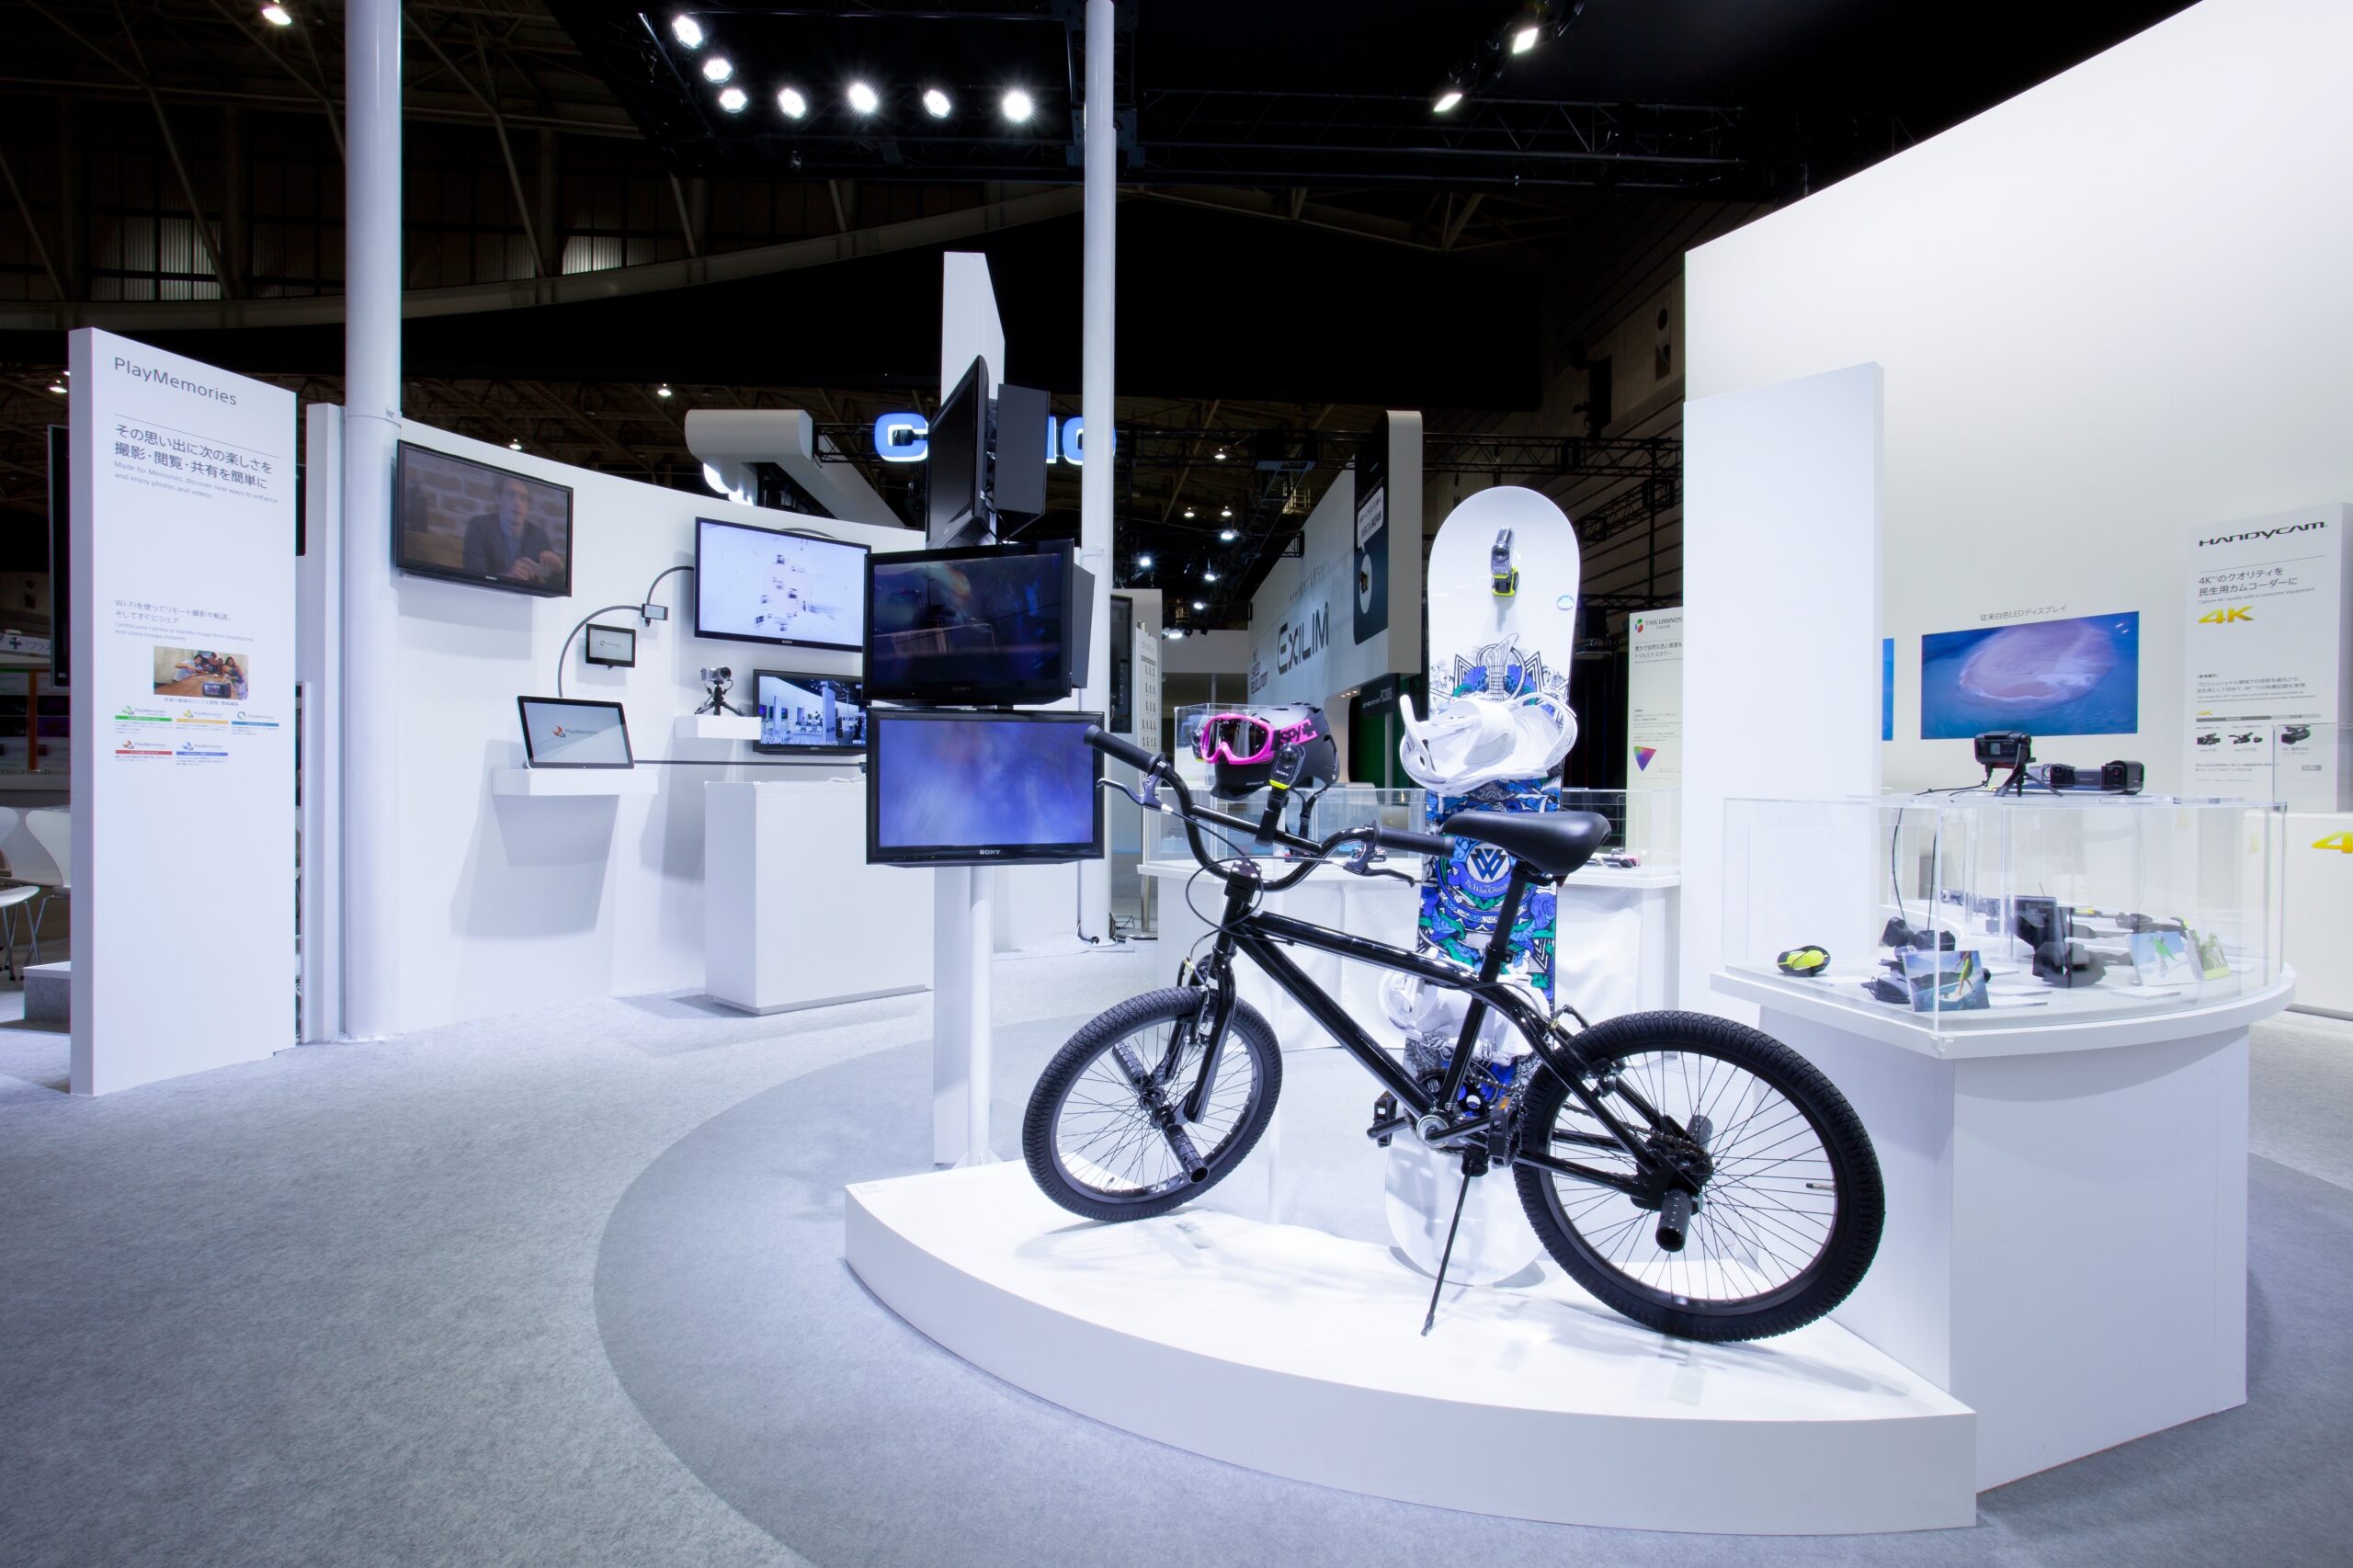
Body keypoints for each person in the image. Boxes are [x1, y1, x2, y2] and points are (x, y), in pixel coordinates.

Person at [461, 476, 563, 585]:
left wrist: (558, 568)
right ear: (498, 499)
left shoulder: (538, 535)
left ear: (527, 506)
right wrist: (507, 577)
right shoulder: (479, 526)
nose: (517, 503)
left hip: (524, 595)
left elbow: (558, 585)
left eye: (523, 498)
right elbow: (473, 575)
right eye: (511, 495)